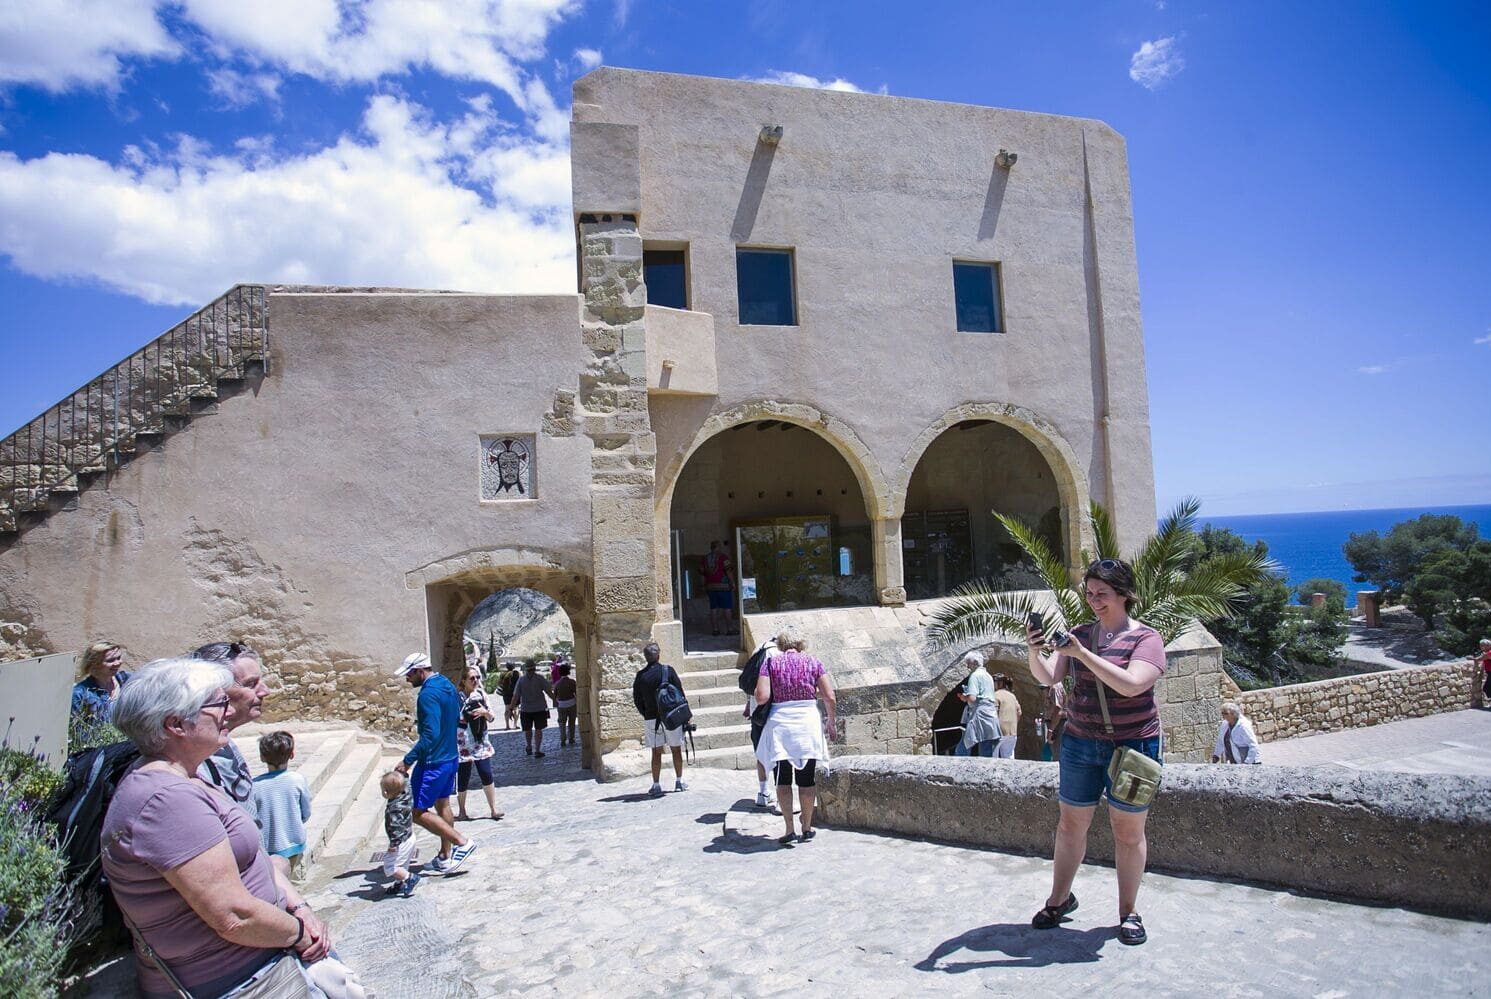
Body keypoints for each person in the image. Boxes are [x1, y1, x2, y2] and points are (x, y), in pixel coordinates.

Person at [103, 657, 367, 998]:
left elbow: (251, 857)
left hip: (264, 959)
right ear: (176, 724)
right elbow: (234, 915)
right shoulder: (166, 801)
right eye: (217, 704)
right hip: (244, 980)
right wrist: (301, 933)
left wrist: (299, 907)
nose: (228, 711)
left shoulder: (186, 776)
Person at [1024, 558, 1166, 946]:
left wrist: (1083, 655)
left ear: (1124, 594)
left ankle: (1128, 911)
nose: (1094, 601)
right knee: (1070, 824)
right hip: (1081, 742)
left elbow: (1134, 684)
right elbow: (1049, 676)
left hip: (1134, 746)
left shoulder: (1145, 639)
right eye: (1089, 594)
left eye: (1102, 594)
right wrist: (1035, 652)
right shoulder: (1080, 633)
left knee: (1127, 832)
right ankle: (1059, 899)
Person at [394, 653, 477, 874]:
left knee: (416, 811)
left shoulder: (427, 695)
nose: (407, 679)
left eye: (410, 674)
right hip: (450, 757)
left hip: (432, 761)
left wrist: (407, 761)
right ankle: (445, 856)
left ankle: (461, 842)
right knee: (443, 805)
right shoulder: (446, 684)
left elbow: (430, 734)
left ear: (421, 670)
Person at [754, 630, 837, 845]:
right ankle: (807, 827)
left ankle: (789, 828)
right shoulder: (814, 662)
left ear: (781, 645)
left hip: (781, 724)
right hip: (807, 723)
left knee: (783, 778)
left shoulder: (771, 664)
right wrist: (831, 721)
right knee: (806, 778)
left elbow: (761, 697)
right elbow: (829, 695)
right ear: (801, 645)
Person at [190, 642, 270, 817]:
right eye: (251, 684)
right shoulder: (196, 765)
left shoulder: (223, 743)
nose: (265, 691)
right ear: (217, 690)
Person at [252, 731, 312, 881]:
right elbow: (306, 812)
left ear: (262, 757)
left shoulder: (254, 786)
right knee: (294, 884)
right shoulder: (297, 780)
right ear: (292, 755)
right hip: (293, 843)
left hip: (267, 847)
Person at [632, 642, 687, 797]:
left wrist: (646, 713)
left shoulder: (641, 676)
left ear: (645, 657)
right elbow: (680, 693)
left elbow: (637, 699)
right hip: (671, 717)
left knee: (656, 752)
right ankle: (679, 781)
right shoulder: (668, 671)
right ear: (658, 655)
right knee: (676, 749)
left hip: (651, 718)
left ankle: (656, 785)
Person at [455, 666, 502, 821]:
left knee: (486, 773)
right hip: (462, 743)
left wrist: (485, 713)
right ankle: (462, 811)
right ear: (464, 681)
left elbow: (492, 717)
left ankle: (493, 809)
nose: (475, 681)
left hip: (480, 741)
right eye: (472, 678)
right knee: (463, 777)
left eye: (477, 677)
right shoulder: (457, 698)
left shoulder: (481, 695)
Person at [743, 635, 784, 807]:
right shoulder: (777, 655)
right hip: (771, 710)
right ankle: (780, 795)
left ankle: (763, 791)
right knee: (777, 754)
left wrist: (747, 704)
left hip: (755, 710)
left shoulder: (758, 650)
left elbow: (750, 679)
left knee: (760, 751)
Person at [379, 770, 420, 898]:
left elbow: (395, 827)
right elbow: (408, 785)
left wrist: (394, 844)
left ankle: (409, 878)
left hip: (401, 841)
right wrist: (405, 776)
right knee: (403, 864)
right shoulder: (406, 794)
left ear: (385, 792)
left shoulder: (394, 809)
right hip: (410, 836)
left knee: (391, 867)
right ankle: (399, 883)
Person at [71, 640, 130, 726]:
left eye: (118, 658)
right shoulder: (80, 694)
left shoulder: (127, 680)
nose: (117, 663)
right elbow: (79, 729)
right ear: (95, 664)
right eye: (110, 660)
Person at [956, 653, 1001, 758]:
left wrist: (964, 698)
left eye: (968, 663)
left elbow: (972, 699)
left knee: (963, 747)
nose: (967, 666)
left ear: (975, 663)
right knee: (986, 748)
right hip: (991, 713)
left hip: (979, 714)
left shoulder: (975, 675)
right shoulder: (989, 676)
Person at [510, 659, 554, 758]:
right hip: (539, 708)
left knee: (528, 729)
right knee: (538, 729)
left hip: (526, 709)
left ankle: (529, 746)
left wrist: (511, 708)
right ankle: (537, 750)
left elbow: (516, 696)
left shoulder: (521, 680)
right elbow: (548, 691)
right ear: (534, 668)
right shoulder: (540, 678)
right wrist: (554, 700)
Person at [701, 540, 737, 636]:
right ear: (718, 547)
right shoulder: (723, 557)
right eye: (719, 546)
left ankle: (715, 630)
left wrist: (703, 585)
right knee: (727, 608)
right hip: (723, 587)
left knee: (713, 609)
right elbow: (728, 571)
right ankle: (730, 629)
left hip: (711, 587)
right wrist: (733, 583)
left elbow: (702, 574)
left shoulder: (705, 559)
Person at [992, 673, 1022, 758]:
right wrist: (1014, 723)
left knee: (993, 757)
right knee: (1009, 757)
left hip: (999, 731)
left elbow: (994, 712)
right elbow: (1019, 712)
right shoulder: (1012, 696)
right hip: (1012, 731)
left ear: (999, 683)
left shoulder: (995, 695)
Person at [1039, 683, 1067, 762]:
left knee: (1057, 752)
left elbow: (1058, 710)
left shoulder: (1054, 688)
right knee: (1054, 751)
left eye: (1043, 689)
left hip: (1057, 724)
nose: (1042, 691)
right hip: (1053, 723)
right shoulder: (1051, 688)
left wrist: (1051, 730)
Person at [554, 663, 579, 747]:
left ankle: (563, 739)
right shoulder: (572, 682)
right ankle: (571, 738)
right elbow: (576, 693)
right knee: (572, 722)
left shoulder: (557, 683)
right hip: (572, 704)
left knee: (562, 723)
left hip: (561, 705)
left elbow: (555, 695)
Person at [499, 662, 521, 730]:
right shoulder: (516, 673)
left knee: (507, 709)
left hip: (506, 694)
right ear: (513, 666)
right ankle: (515, 725)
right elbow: (520, 682)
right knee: (516, 709)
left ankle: (507, 725)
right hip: (515, 693)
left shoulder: (503, 674)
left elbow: (499, 683)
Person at [1477, 639, 1491, 706]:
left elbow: (1480, 659)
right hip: (1489, 672)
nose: (1481, 647)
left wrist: (1472, 659)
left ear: (1488, 645)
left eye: (1482, 645)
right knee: (1487, 687)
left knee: (1486, 688)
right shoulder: (1486, 653)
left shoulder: (1489, 653)